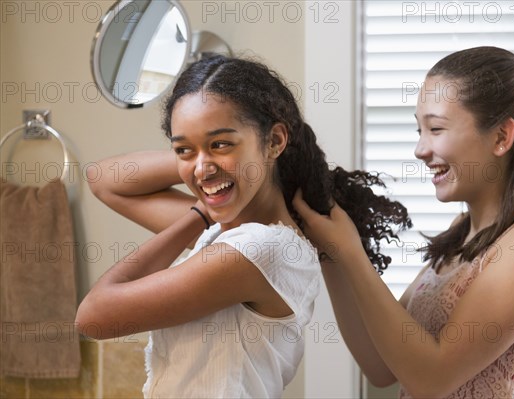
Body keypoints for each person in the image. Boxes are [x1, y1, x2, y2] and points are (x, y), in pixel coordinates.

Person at [75, 55, 410, 398]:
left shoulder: (256, 250)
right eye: (182, 149)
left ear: (275, 141)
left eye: (221, 143)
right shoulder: (231, 230)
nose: (202, 169)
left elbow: (94, 316)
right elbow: (104, 179)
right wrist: (202, 160)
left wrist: (199, 203)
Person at [293, 46, 514, 398]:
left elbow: (430, 378)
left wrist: (351, 251)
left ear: (501, 137)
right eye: (419, 130)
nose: (420, 149)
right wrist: (332, 254)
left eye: (435, 128)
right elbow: (380, 366)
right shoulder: (460, 238)